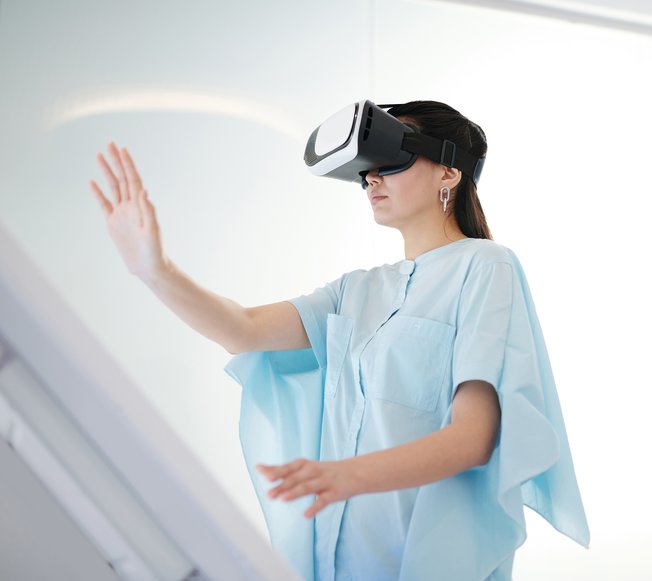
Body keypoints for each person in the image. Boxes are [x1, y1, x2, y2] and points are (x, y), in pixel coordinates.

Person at [91, 100, 589, 581]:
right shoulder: (356, 290)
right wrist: (155, 270)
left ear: (449, 172)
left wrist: (347, 476)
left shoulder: (486, 266)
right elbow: (242, 329)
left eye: (391, 159)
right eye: (366, 168)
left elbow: (473, 438)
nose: (371, 178)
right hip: (336, 560)